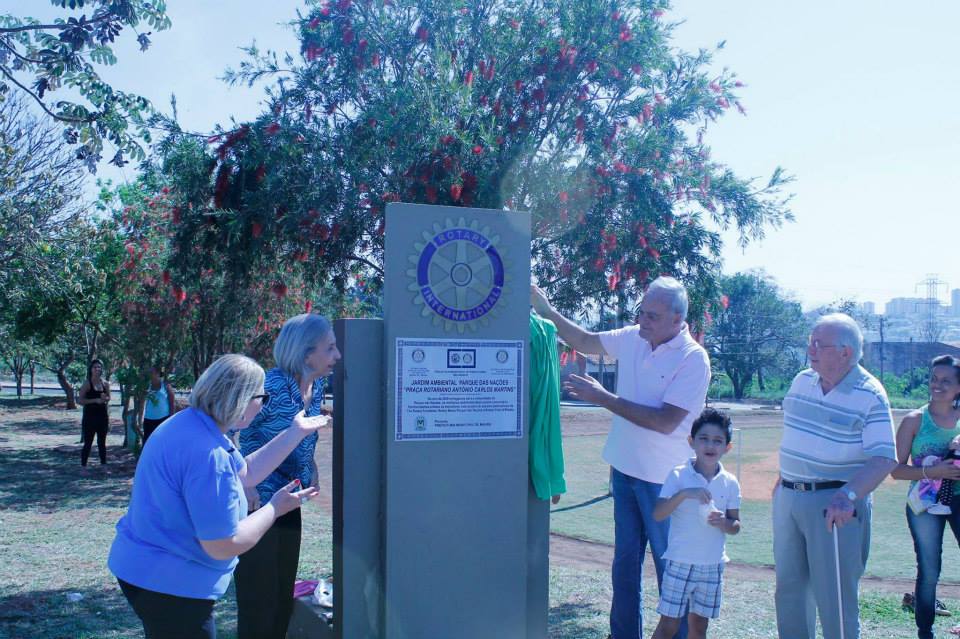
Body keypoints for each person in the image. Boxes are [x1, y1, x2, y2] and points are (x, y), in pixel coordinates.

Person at [531, 276, 711, 639]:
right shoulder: (633, 338)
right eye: (642, 312)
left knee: (670, 570)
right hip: (625, 473)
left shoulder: (693, 359)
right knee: (624, 566)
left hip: (666, 484)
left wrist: (604, 398)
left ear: (678, 320)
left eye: (653, 316)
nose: (643, 320)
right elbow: (583, 341)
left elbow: (665, 421)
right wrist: (547, 310)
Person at [107, 354, 327, 639]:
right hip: (172, 586)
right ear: (241, 399)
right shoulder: (209, 455)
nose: (263, 407)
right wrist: (274, 508)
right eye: (262, 398)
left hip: (145, 571)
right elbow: (224, 544)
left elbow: (246, 472)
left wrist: (295, 433)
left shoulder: (193, 424)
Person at [773, 313, 897, 639]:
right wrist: (783, 480)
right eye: (810, 342)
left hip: (834, 505)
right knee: (790, 592)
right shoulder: (802, 380)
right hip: (788, 497)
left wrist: (849, 496)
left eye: (819, 344)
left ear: (845, 352)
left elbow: (884, 458)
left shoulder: (869, 394)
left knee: (835, 599)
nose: (810, 349)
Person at [234, 313, 341, 639]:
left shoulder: (317, 384)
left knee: (282, 596)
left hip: (289, 503)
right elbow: (228, 429)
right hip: (258, 506)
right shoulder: (269, 385)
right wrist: (246, 482)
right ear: (307, 353)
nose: (337, 355)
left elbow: (303, 434)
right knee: (258, 602)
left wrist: (313, 468)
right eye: (331, 348)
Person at [651, 408, 741, 639]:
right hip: (680, 561)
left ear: (727, 447)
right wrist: (684, 494)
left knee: (699, 627)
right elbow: (658, 514)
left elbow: (736, 525)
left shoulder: (730, 482)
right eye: (704, 439)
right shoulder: (679, 475)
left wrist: (724, 523)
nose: (710, 446)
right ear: (691, 442)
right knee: (669, 626)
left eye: (718, 441)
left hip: (712, 565)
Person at [891, 354, 960, 639]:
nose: (937, 385)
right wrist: (933, 471)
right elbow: (895, 470)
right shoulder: (914, 420)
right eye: (933, 379)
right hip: (923, 504)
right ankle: (925, 632)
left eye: (946, 381)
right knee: (929, 569)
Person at [78, 359, 110, 466]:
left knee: (102, 443)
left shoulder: (105, 383)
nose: (97, 369)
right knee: (88, 443)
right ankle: (83, 467)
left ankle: (103, 465)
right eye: (95, 367)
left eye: (99, 367)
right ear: (91, 369)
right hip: (90, 418)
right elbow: (80, 401)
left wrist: (105, 398)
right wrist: (95, 400)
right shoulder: (87, 383)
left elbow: (108, 398)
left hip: (102, 417)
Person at [141, 365, 176, 445]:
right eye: (149, 372)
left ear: (157, 373)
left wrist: (171, 420)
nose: (149, 374)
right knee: (147, 443)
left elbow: (172, 403)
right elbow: (142, 401)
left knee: (162, 443)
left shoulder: (166, 386)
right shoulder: (146, 386)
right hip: (148, 419)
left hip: (163, 419)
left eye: (151, 372)